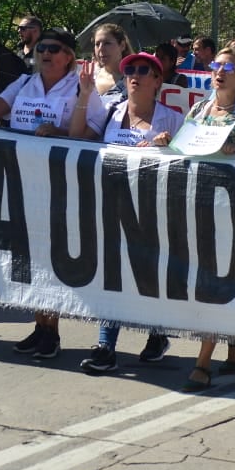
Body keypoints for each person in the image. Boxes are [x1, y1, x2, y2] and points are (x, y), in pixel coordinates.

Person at [0, 22, 108, 358]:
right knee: (30, 259)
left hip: (61, 183)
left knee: (52, 259)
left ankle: (54, 331)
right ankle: (40, 326)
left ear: (68, 57)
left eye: (53, 49)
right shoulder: (23, 83)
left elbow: (86, 138)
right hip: (22, 179)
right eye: (41, 49)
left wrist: (60, 126)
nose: (45, 54)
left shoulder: (83, 87)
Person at [73, 52, 184, 375]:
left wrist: (170, 146)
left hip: (155, 210)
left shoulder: (174, 119)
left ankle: (158, 333)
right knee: (114, 274)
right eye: (129, 71)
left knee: (151, 275)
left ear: (158, 80)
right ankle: (106, 345)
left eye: (143, 70)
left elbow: (192, 163)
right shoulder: (110, 111)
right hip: (114, 205)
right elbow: (78, 138)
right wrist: (84, 95)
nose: (134, 76)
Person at [178, 46, 235, 392]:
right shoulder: (199, 109)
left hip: (233, 211)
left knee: (218, 283)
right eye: (216, 65)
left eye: (228, 67)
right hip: (199, 206)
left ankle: (203, 361)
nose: (219, 71)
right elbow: (181, 148)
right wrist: (163, 141)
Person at [90, 23, 132, 108]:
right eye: (97, 44)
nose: (101, 48)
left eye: (107, 43)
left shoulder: (135, 78)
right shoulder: (89, 76)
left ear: (122, 46)